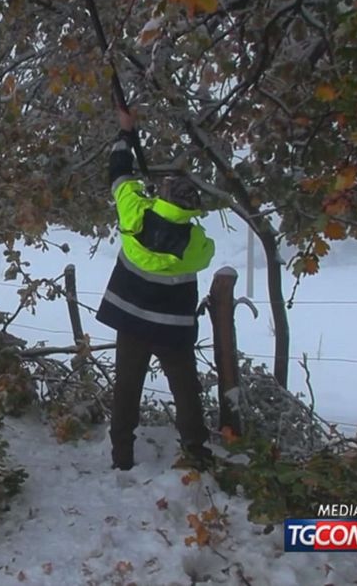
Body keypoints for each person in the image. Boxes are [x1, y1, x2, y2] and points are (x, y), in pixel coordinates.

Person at [95, 132, 215, 471]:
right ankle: (195, 451)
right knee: (186, 391)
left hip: (131, 322)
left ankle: (122, 457)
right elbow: (208, 253)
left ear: (159, 197)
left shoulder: (135, 213)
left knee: (127, 389)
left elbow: (119, 175)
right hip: (172, 331)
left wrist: (123, 137)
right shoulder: (194, 243)